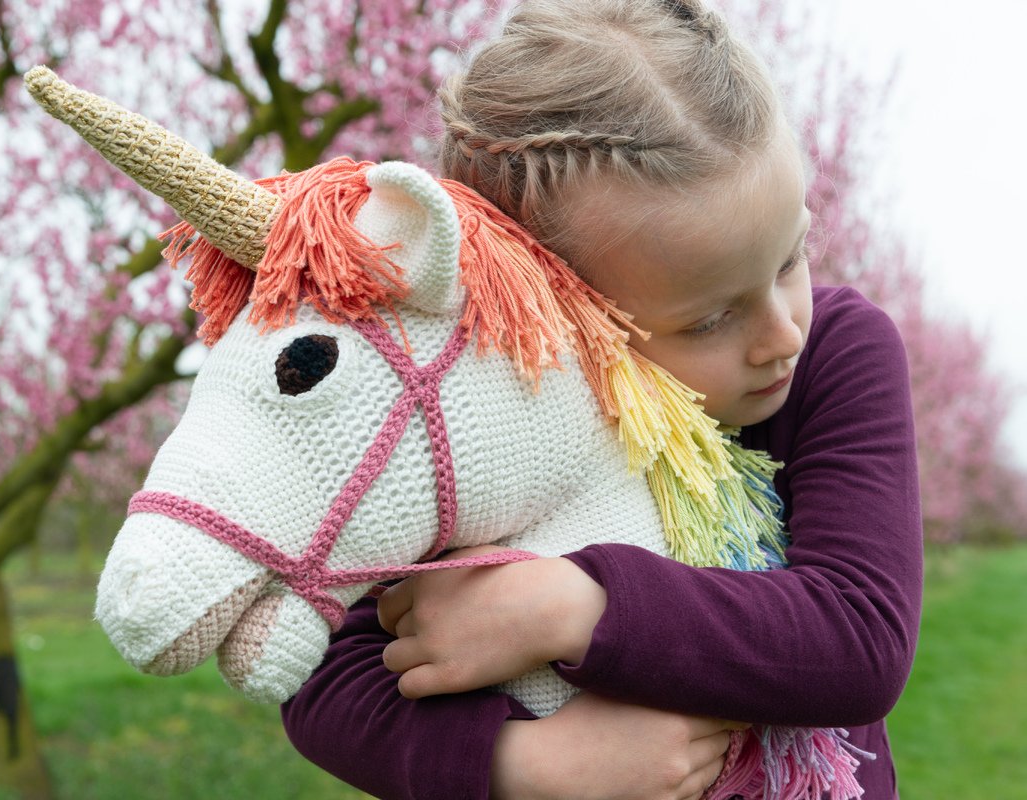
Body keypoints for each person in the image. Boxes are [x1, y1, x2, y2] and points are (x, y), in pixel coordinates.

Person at [281, 1, 922, 798]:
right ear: (557, 310)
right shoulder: (477, 421)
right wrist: (525, 766)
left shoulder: (837, 350)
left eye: (790, 258)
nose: (780, 333)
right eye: (708, 319)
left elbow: (857, 637)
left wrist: (572, 607)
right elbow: (319, 673)